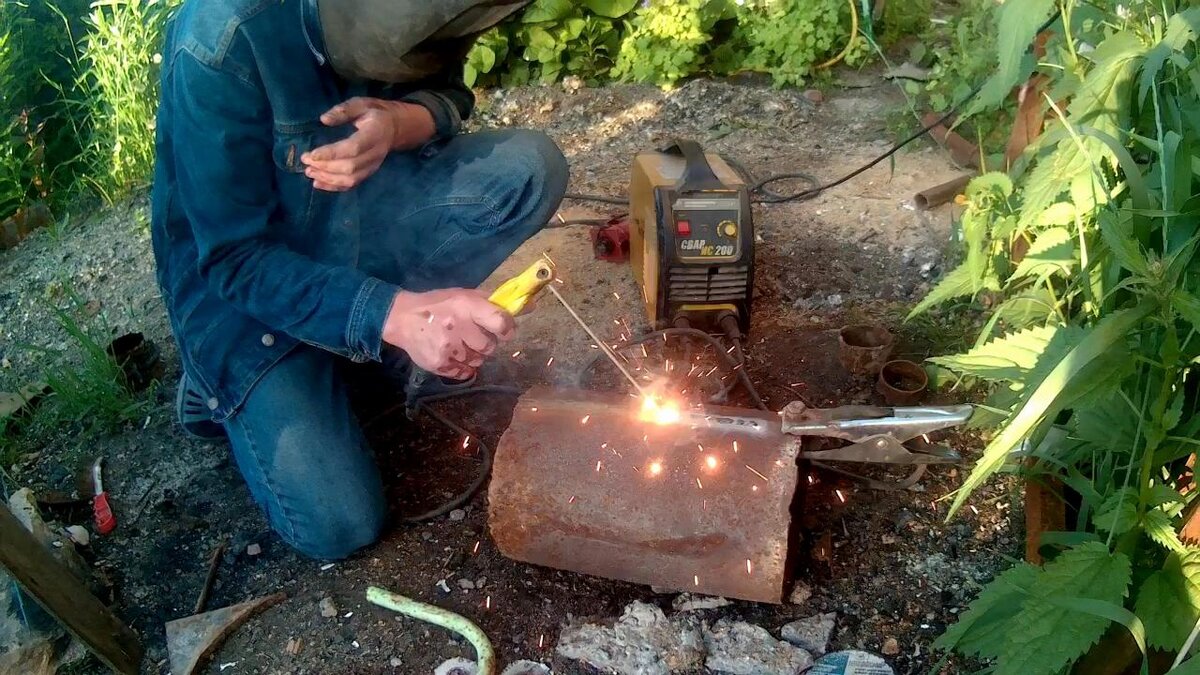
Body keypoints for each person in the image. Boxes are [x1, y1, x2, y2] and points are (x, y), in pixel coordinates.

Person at [150, 0, 565, 560]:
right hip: (243, 302)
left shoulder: (425, 14)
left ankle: (367, 349)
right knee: (340, 523)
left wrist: (396, 126)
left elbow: (447, 97)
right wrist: (393, 313)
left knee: (528, 168)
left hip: (356, 233)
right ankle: (215, 385)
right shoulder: (221, 38)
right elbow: (232, 258)